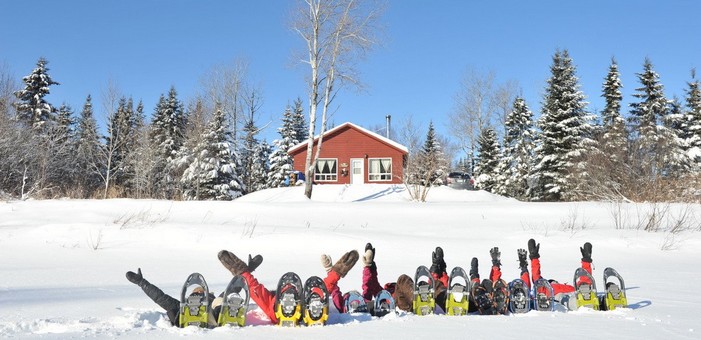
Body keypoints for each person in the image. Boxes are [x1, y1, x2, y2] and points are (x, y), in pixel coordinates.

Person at [217, 248, 358, 324]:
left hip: (278, 309)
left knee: (313, 297)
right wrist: (337, 272)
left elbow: (255, 289)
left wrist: (241, 271)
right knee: (315, 297)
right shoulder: (302, 305)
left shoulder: (273, 309)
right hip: (290, 307)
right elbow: (323, 289)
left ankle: (287, 305)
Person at [124, 253, 262, 327]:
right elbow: (237, 285)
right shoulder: (210, 300)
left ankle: (217, 312)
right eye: (197, 293)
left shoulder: (211, 299)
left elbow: (160, 297)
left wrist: (141, 283)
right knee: (222, 300)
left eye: (199, 292)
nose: (199, 292)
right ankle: (225, 313)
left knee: (223, 299)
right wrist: (142, 282)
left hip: (209, 314)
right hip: (211, 316)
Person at [517, 238, 593, 309]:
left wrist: (531, 261)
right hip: (558, 296)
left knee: (583, 287)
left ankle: (584, 301)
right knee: (581, 287)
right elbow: (536, 278)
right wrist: (534, 259)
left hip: (571, 293)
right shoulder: (547, 288)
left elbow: (536, 277)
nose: (555, 282)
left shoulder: (552, 287)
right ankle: (583, 303)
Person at [468, 246, 509, 315]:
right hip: (486, 299)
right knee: (492, 285)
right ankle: (495, 265)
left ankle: (474, 274)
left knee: (478, 287)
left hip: (482, 300)